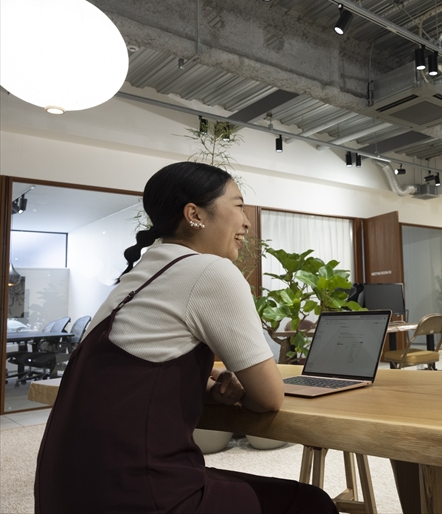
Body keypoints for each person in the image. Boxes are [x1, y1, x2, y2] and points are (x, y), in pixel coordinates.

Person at [34, 162, 338, 514]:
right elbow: (269, 398)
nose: (247, 221)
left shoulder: (137, 277)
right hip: (136, 493)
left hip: (67, 489)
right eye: (238, 205)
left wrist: (209, 389)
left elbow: (140, 376)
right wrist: (238, 390)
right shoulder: (209, 270)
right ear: (194, 214)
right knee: (309, 504)